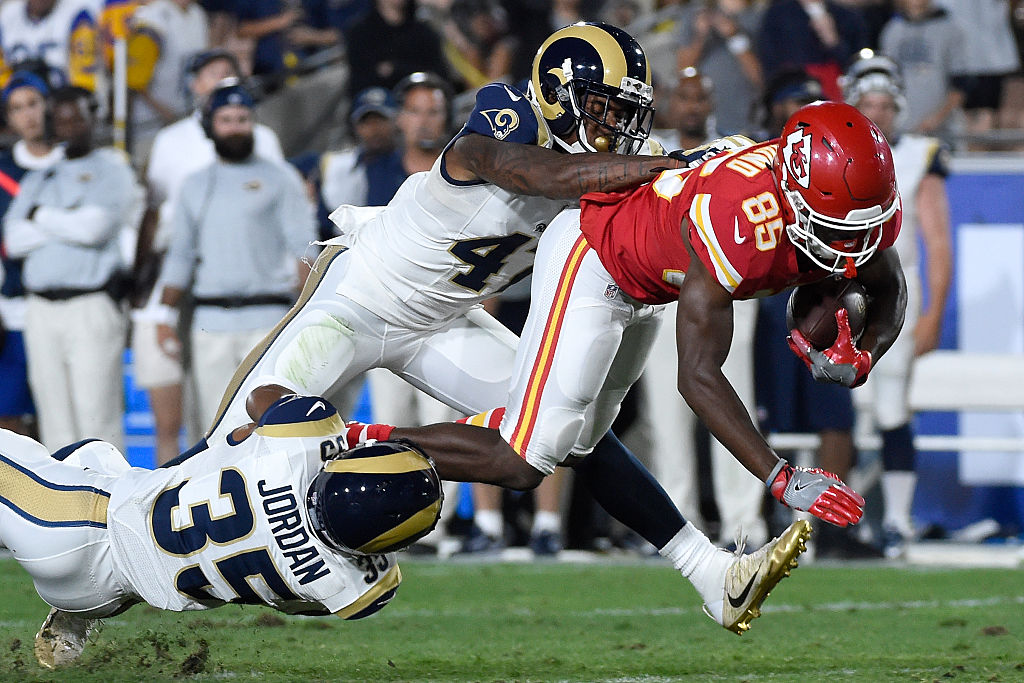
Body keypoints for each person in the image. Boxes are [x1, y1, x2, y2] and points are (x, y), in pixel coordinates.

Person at [204, 22, 811, 634]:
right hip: (358, 299)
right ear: (558, 94)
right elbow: (543, 177)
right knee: (230, 446)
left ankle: (710, 572)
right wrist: (665, 164)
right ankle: (112, 547)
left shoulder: (617, 161)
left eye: (625, 112)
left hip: (443, 322)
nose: (615, 127)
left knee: (565, 437)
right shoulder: (507, 116)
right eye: (602, 108)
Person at [359, 101, 903, 625]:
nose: (850, 250)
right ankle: (353, 443)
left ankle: (711, 576)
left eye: (859, 228)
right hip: (595, 258)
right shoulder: (740, 222)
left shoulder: (830, 205)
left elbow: (888, 279)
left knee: (581, 446)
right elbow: (696, 376)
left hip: (649, 284)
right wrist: (778, 475)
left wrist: (865, 357)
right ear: (794, 195)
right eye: (836, 230)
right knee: (524, 459)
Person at [3, 388, 442, 669]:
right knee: (94, 455)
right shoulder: (360, 590)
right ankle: (78, 615)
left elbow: (261, 396)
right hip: (112, 590)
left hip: (78, 520)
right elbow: (305, 600)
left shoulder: (294, 444)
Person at [135, 49, 285, 465]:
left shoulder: (264, 139)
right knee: (190, 403)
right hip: (178, 278)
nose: (221, 78)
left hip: (241, 282)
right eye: (211, 73)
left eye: (229, 71)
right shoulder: (169, 140)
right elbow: (156, 217)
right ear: (193, 84)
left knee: (251, 404)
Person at [642, 69, 767, 549]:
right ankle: (678, 522)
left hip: (725, 290)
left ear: (713, 102)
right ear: (672, 103)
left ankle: (745, 524)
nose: (693, 106)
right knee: (666, 413)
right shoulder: (649, 153)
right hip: (666, 290)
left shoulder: (735, 150)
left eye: (701, 97)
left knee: (732, 401)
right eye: (685, 97)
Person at [153, 79, 317, 427]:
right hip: (210, 322)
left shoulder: (281, 177)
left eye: (243, 119)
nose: (235, 128)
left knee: (271, 424)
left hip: (267, 318)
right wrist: (165, 315)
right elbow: (180, 254)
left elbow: (304, 249)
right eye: (226, 120)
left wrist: (307, 312)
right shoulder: (195, 184)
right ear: (209, 126)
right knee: (214, 426)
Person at [843, 52, 953, 558]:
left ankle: (897, 521)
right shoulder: (833, 151)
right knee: (839, 415)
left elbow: (937, 242)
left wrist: (933, 312)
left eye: (886, 104)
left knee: (888, 410)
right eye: (869, 103)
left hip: (896, 295)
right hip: (838, 295)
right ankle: (832, 521)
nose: (879, 113)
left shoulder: (918, 155)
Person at [3, 85, 143, 452]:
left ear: (92, 117)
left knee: (97, 421)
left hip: (90, 303)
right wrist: (66, 222)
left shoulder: (113, 169)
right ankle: (64, 509)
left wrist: (41, 217)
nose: (68, 126)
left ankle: (107, 506)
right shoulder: (40, 177)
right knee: (55, 424)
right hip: (40, 310)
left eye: (76, 117)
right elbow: (14, 238)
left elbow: (94, 230)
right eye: (61, 119)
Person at [0, 72, 63, 439]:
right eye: (17, 108)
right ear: (8, 118)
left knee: (56, 418)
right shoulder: (4, 172)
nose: (29, 116)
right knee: (8, 417)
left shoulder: (73, 161)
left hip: (62, 304)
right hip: (13, 311)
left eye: (34, 104)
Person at [123, 0, 210, 161]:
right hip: (150, 126)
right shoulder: (152, 18)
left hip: (187, 118)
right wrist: (167, 114)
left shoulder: (197, 13)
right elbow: (134, 80)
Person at [0, 0, 99, 92]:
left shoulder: (78, 14)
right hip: (16, 99)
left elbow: (83, 84)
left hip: (60, 99)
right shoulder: (7, 15)